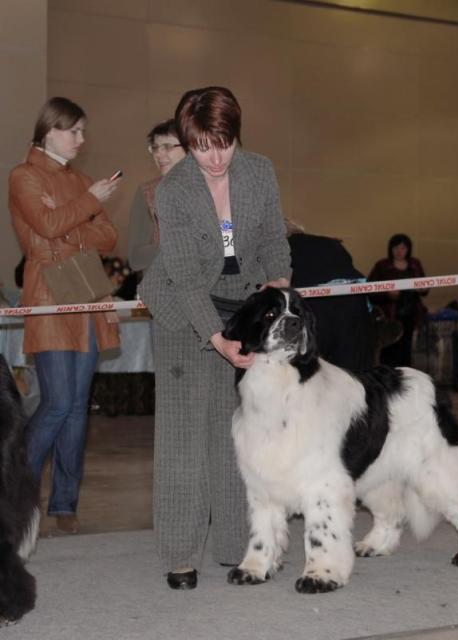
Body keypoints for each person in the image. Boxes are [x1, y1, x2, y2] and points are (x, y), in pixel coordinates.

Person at [138, 86, 291, 590]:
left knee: (233, 435)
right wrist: (216, 339)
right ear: (187, 141)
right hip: (185, 311)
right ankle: (180, 555)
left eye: (223, 142)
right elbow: (182, 277)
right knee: (184, 436)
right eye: (203, 145)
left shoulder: (260, 170)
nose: (215, 156)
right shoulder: (175, 188)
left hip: (240, 304)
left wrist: (278, 286)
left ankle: (232, 544)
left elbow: (272, 236)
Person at [8, 96, 121, 533]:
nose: (81, 139)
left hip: (88, 294)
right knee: (57, 403)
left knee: (76, 408)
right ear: (49, 129)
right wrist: (86, 208)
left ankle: (64, 504)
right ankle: (16, 493)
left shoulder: (82, 181)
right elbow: (44, 228)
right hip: (51, 296)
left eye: (82, 131)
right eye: (74, 130)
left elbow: (109, 237)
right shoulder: (24, 176)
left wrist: (72, 221)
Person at [286, 221, 374, 371]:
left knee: (312, 376)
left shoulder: (282, 248)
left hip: (317, 307)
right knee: (355, 377)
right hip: (355, 303)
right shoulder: (332, 243)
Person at [127, 119, 186, 273]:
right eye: (155, 148)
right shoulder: (147, 193)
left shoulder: (214, 189)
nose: (159, 154)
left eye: (167, 147)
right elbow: (135, 258)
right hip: (163, 290)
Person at [368, 233, 428, 367]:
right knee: (389, 348)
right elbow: (370, 290)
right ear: (390, 249)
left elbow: (425, 289)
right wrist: (387, 294)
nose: (399, 251)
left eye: (402, 248)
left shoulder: (415, 264)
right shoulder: (381, 265)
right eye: (396, 248)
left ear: (408, 249)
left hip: (411, 313)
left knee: (406, 348)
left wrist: (422, 288)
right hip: (390, 315)